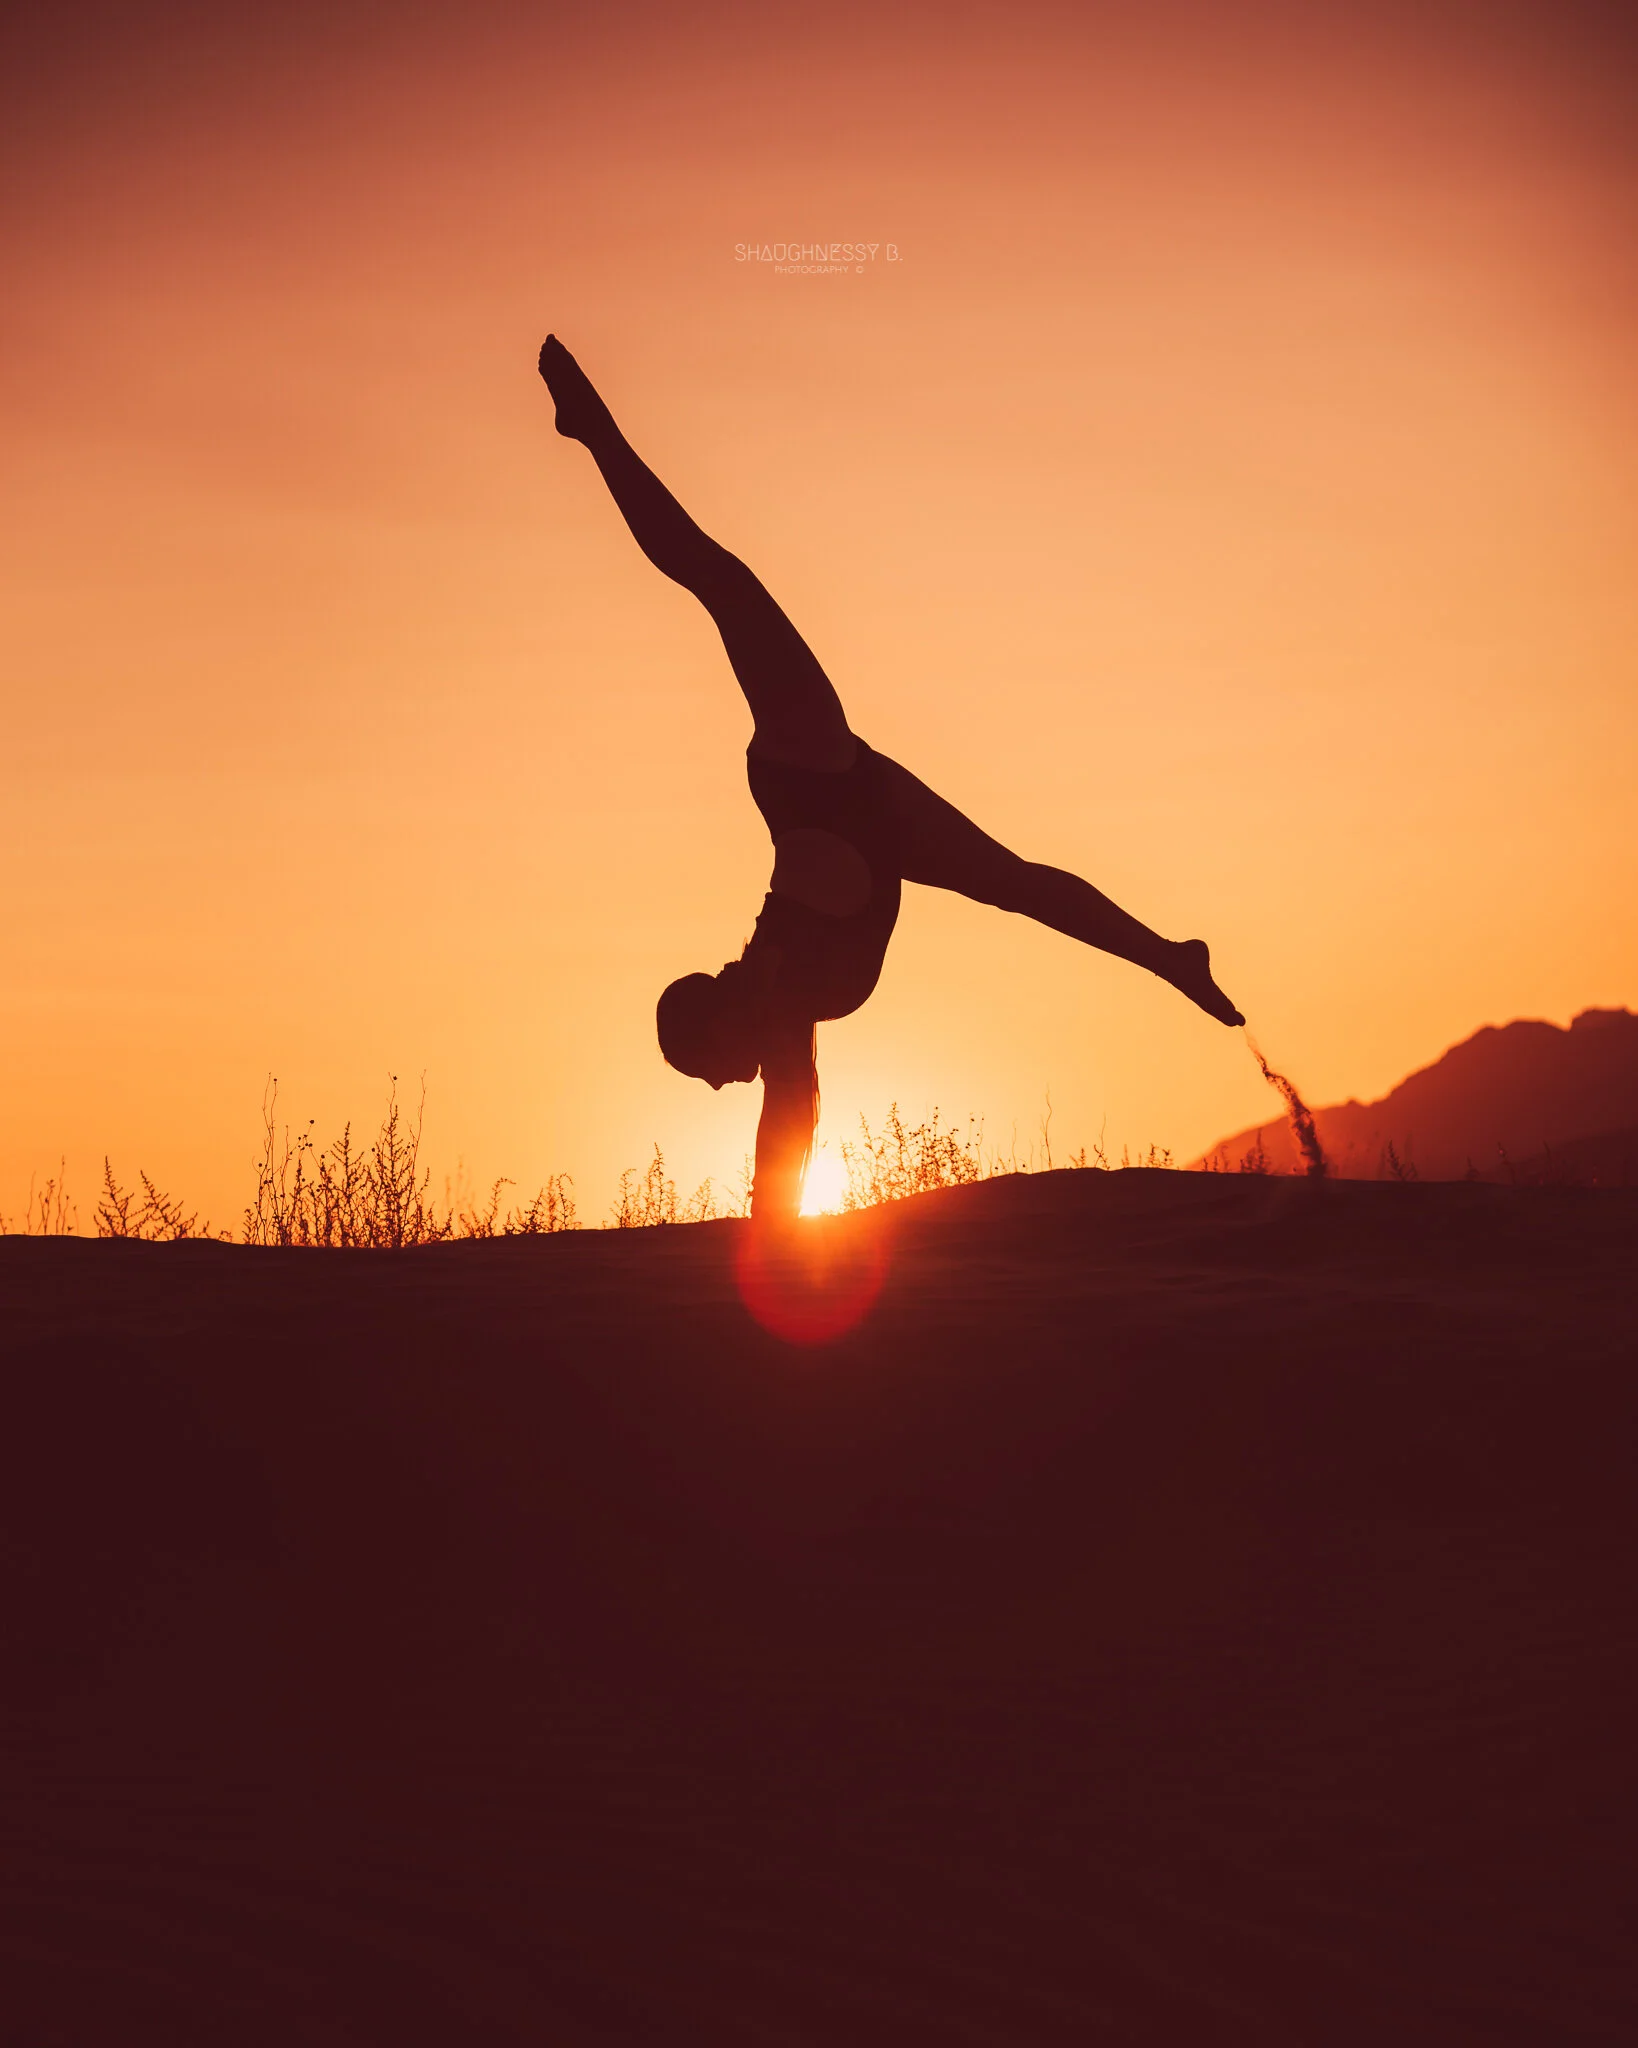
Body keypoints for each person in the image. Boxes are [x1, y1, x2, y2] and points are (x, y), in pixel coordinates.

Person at [538, 336, 1244, 1220]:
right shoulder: (781, 1008)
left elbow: (790, 1117)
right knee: (1020, 886)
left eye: (701, 1067)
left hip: (809, 768)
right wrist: (774, 1221)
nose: (718, 1087)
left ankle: (595, 431)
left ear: (715, 1019)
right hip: (872, 817)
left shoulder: (779, 994)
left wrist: (768, 1225)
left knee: (717, 579)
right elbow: (790, 1111)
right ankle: (1172, 957)